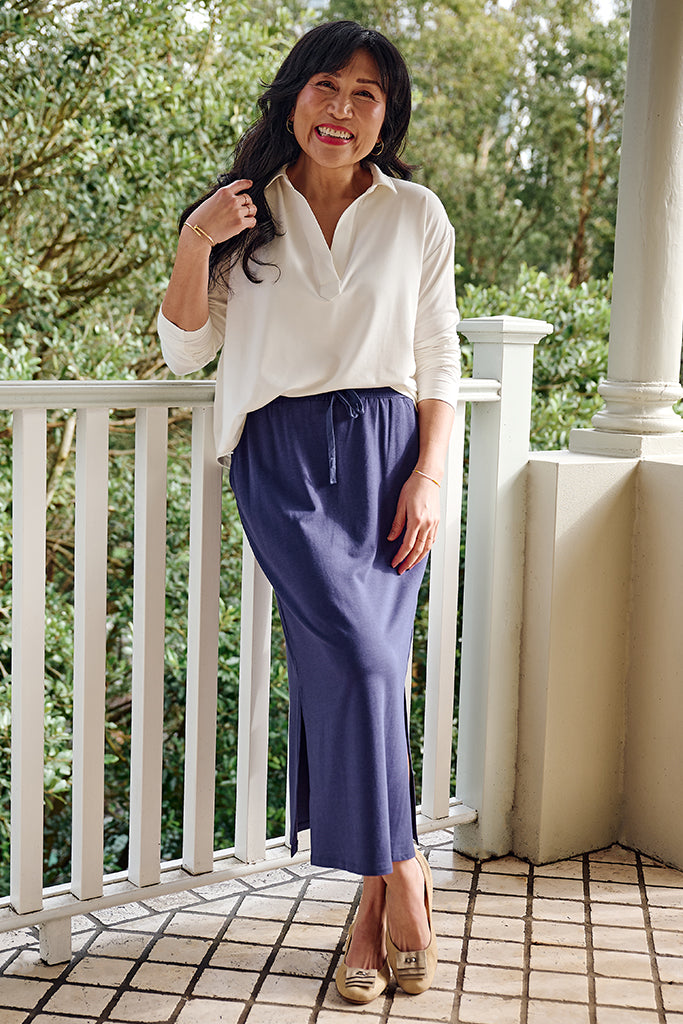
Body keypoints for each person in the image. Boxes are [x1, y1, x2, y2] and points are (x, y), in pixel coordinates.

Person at [158, 19, 460, 1004]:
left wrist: (427, 476)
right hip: (281, 465)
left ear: (386, 116)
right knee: (364, 663)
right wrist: (195, 241)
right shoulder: (243, 211)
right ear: (293, 97)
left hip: (389, 460)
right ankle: (405, 872)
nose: (341, 109)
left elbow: (438, 355)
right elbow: (183, 349)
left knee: (363, 674)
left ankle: (369, 912)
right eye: (325, 86)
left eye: (365, 94)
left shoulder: (414, 214)